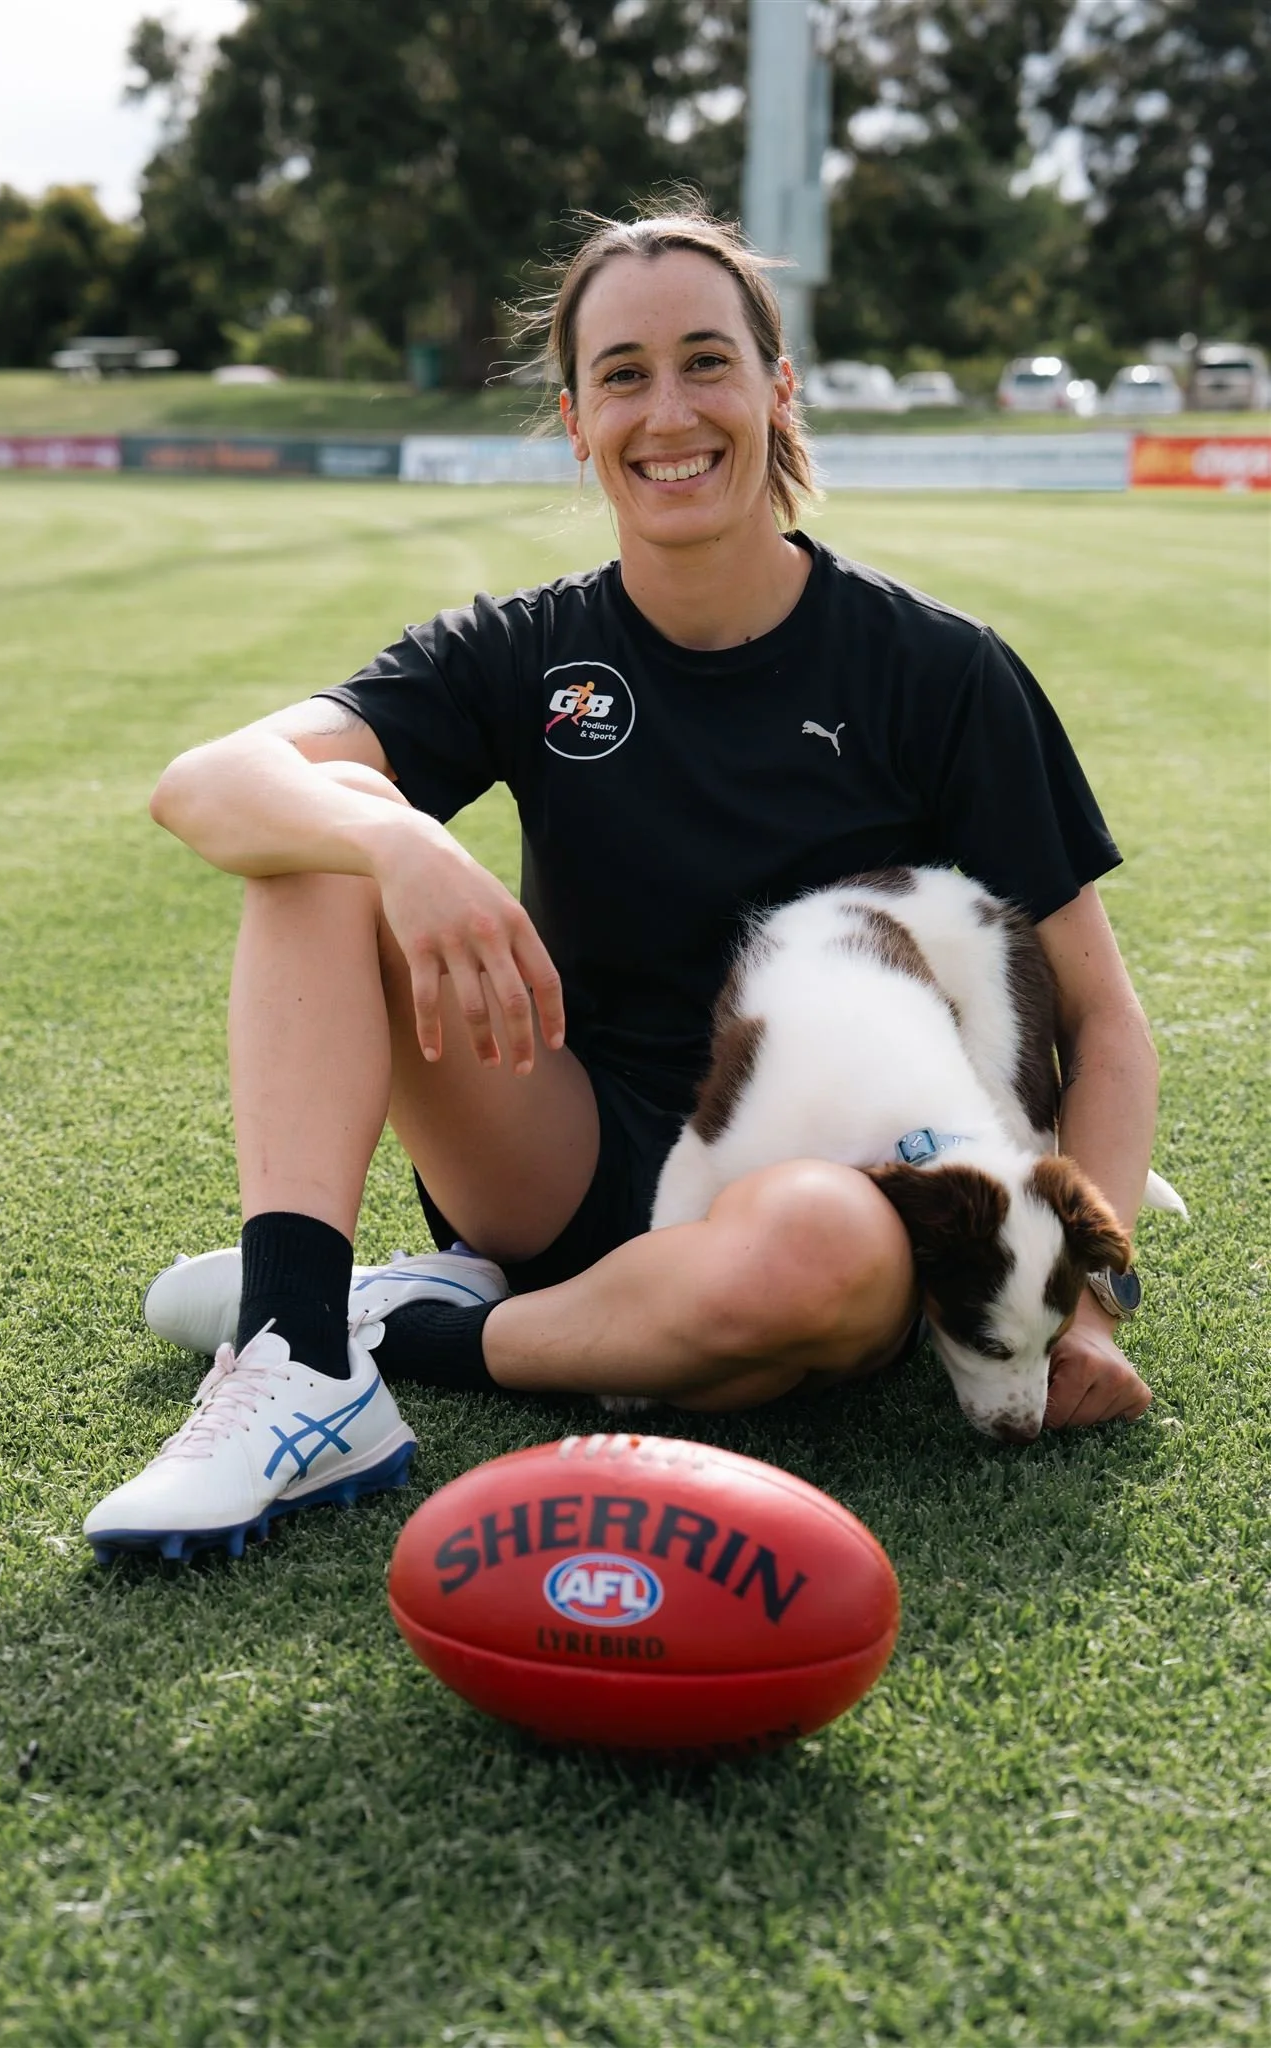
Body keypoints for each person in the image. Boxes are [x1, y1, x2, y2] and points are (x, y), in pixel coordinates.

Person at [84, 202, 1162, 1561]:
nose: (671, 412)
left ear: (777, 390)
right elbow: (206, 782)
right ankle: (299, 1360)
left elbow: (1106, 1021)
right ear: (576, 418)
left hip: (818, 1208)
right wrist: (402, 842)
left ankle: (393, 1324)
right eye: (625, 375)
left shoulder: (938, 672)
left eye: (708, 362)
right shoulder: (526, 649)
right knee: (320, 823)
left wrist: (1091, 1307)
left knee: (815, 1254)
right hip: (564, 1154)